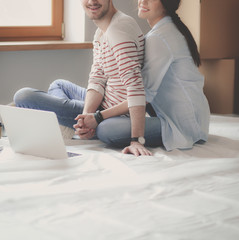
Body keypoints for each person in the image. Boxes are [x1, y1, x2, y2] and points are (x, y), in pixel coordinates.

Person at [13, 0, 152, 156]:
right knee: (58, 85)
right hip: (103, 102)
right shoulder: (101, 32)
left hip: (113, 114)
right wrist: (86, 115)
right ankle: (76, 125)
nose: (92, 1)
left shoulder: (119, 30)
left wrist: (136, 140)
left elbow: (137, 88)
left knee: (23, 96)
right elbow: (97, 79)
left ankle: (66, 125)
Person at [81, 0, 210, 153]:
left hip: (180, 125)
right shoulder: (163, 31)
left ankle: (84, 124)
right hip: (197, 122)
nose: (143, 1)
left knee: (106, 130)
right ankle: (83, 122)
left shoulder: (160, 38)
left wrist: (98, 117)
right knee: (63, 89)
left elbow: (143, 95)